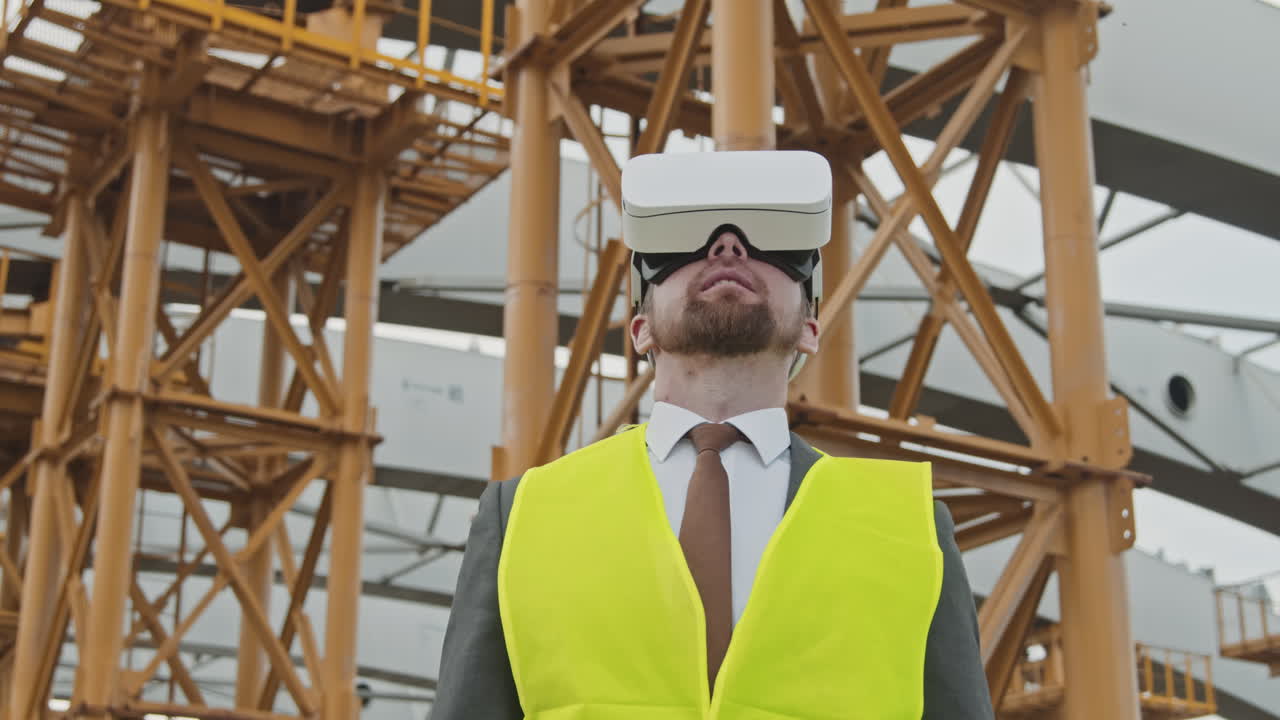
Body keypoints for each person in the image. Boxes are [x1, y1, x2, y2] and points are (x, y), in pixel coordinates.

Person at [431, 151, 993, 719]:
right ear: (641, 329)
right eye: (680, 249)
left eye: (777, 249)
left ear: (810, 328)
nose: (728, 246)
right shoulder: (520, 516)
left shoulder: (912, 526)